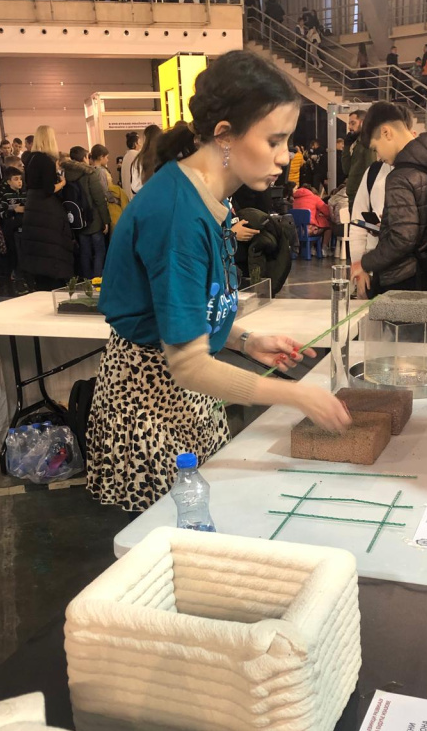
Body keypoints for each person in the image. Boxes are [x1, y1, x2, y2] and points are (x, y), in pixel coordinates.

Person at [88, 50, 350, 511]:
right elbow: (187, 364)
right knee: (177, 535)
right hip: (152, 408)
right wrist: (296, 396)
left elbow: (188, 309)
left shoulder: (211, 197)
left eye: (288, 141)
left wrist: (244, 340)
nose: (285, 156)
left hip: (189, 401)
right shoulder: (178, 214)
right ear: (225, 134)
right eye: (274, 140)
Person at [350, 101, 427, 297]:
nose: (378, 156)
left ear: (387, 133)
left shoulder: (401, 175)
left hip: (406, 279)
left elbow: (403, 238)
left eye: (376, 148)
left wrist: (364, 263)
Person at [19, 125, 74, 290]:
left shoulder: (30, 159)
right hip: (46, 209)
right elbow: (48, 189)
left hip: (32, 207)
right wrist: (62, 183)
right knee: (52, 245)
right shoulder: (47, 160)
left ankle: (40, 282)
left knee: (38, 247)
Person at [62, 146, 111, 280]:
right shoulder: (89, 173)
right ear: (84, 158)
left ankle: (86, 281)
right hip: (93, 218)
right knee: (99, 251)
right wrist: (106, 220)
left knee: (85, 252)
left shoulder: (66, 174)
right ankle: (97, 280)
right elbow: (99, 198)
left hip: (77, 219)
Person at [342, 109, 376, 209]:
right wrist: (346, 147)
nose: (350, 127)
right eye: (349, 124)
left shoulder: (367, 144)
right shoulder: (357, 143)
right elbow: (346, 169)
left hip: (361, 195)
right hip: (354, 193)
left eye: (353, 123)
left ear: (363, 123)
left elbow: (370, 169)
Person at [293, 181, 333, 253]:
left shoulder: (295, 200)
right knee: (328, 228)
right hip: (308, 230)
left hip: (296, 230)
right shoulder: (315, 198)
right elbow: (327, 211)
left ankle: (311, 248)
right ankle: (324, 249)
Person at [130, 124, 162, 195]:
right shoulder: (165, 156)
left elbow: (135, 187)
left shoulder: (139, 159)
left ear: (145, 139)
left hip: (145, 197)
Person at [120, 131, 140, 202]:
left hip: (127, 195)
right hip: (135, 196)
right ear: (135, 144)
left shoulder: (126, 156)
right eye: (140, 142)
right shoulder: (136, 155)